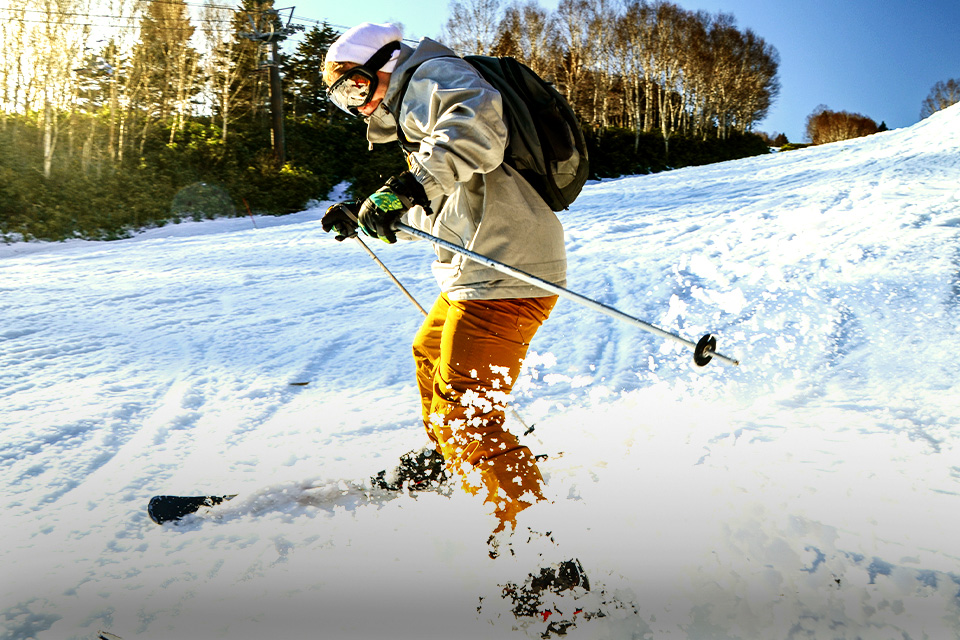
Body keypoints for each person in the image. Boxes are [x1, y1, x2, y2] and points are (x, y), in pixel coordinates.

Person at [319, 22, 568, 550]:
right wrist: (374, 213)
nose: (355, 105)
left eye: (356, 88)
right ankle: (451, 460)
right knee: (429, 354)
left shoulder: (431, 77)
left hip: (508, 269)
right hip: (481, 268)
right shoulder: (418, 116)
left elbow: (479, 131)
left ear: (386, 64)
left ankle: (540, 553)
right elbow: (446, 204)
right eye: (342, 99)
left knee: (466, 409)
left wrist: (407, 184)